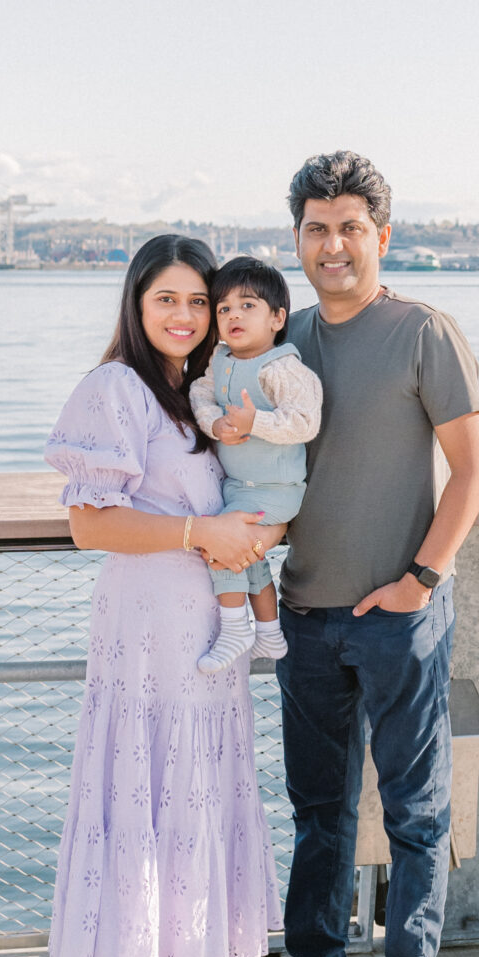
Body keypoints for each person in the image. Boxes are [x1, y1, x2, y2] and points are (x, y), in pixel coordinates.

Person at [218, 150, 479, 957]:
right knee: (318, 810)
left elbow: (474, 469)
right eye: (315, 228)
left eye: (348, 228)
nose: (332, 245)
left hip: (397, 612)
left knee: (416, 814)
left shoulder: (424, 332)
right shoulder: (279, 338)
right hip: (303, 610)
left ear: (382, 235)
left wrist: (421, 576)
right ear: (296, 238)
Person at [42, 234, 283, 957]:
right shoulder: (117, 387)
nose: (183, 316)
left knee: (182, 791)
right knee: (142, 788)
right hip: (149, 625)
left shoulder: (196, 391)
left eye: (196, 301)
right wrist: (198, 532)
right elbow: (90, 523)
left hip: (200, 630)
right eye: (165, 300)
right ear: (137, 307)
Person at [186, 255, 322, 673]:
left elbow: (305, 421)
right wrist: (216, 424)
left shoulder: (281, 368)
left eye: (248, 306)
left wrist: (256, 421)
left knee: (225, 552)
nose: (233, 316)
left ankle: (234, 629)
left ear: (277, 317)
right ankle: (268, 633)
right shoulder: (220, 360)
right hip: (238, 488)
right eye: (224, 308)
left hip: (276, 491)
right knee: (252, 559)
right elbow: (200, 394)